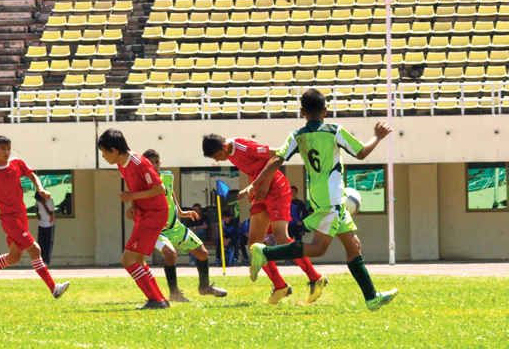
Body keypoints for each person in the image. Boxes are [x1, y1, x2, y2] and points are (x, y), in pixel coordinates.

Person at [242, 88, 398, 311]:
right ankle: (265, 252)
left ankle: (371, 297)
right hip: (332, 198)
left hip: (323, 197)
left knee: (354, 246)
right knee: (318, 248)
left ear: (302, 111)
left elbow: (277, 158)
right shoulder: (334, 131)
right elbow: (362, 153)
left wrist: (255, 183)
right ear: (326, 110)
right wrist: (378, 136)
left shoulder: (297, 135)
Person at [203, 133, 326, 305]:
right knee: (254, 245)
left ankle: (316, 278)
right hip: (260, 193)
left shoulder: (244, 147)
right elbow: (253, 168)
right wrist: (251, 189)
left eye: (217, 156)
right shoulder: (229, 153)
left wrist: (265, 184)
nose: (218, 160)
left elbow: (277, 155)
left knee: (281, 238)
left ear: (224, 147)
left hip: (275, 189)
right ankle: (280, 286)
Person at [0, 136, 69, 299]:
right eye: (3, 149)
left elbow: (32, 174)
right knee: (35, 250)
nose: (7, 152)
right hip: (9, 219)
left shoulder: (17, 163)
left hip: (21, 216)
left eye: (8, 148)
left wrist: (40, 188)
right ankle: (53, 288)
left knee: (14, 257)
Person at [142, 149, 226, 303]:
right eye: (149, 162)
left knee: (202, 253)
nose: (153, 165)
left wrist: (180, 211)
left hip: (175, 226)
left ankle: (205, 287)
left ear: (160, 163)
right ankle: (174, 293)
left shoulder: (168, 176)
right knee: (170, 254)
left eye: (156, 162)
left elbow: (170, 192)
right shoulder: (142, 181)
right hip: (157, 230)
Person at [98, 129, 169, 309]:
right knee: (138, 261)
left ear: (113, 150)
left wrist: (132, 197)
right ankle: (161, 299)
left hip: (154, 214)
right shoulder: (122, 165)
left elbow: (159, 189)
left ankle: (156, 301)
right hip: (145, 213)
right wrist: (133, 206)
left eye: (104, 152)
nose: (103, 156)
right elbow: (134, 189)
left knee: (127, 259)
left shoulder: (139, 162)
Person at [35, 190, 55, 266]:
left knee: (48, 243)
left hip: (49, 224)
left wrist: (43, 204)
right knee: (41, 242)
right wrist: (37, 214)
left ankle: (47, 261)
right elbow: (36, 207)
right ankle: (41, 259)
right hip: (41, 224)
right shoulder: (38, 201)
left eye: (40, 200)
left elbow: (50, 213)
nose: (39, 201)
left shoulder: (50, 201)